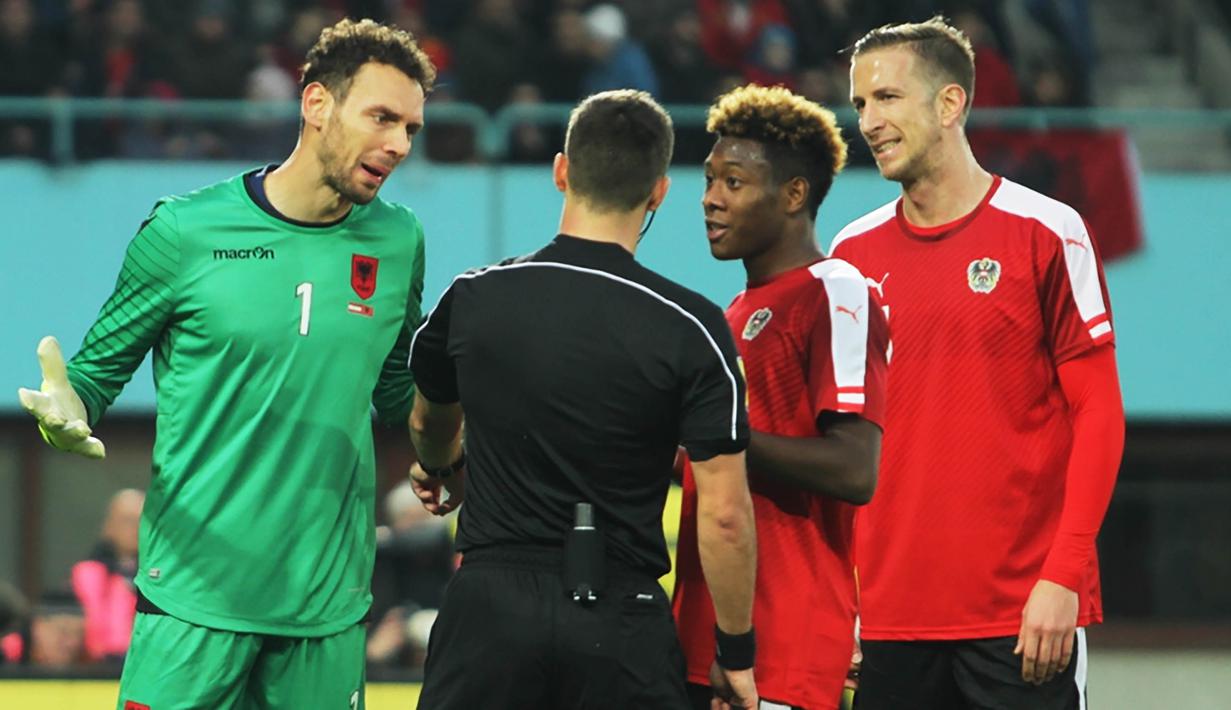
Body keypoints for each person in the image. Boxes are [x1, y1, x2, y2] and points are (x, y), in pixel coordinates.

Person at [17, 18, 436, 709]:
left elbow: (395, 393)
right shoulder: (185, 231)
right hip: (191, 602)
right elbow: (92, 376)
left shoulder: (399, 238)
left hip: (325, 612)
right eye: (382, 117)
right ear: (317, 105)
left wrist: (449, 446)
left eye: (411, 129)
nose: (397, 144)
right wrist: (67, 410)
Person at [408, 89, 759, 710]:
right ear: (658, 192)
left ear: (562, 171)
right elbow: (726, 514)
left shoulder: (472, 298)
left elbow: (428, 419)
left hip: (488, 610)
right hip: (622, 618)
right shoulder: (693, 325)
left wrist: (443, 466)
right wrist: (734, 653)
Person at [831, 16, 1124, 710]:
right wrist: (838, 598)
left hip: (1020, 617)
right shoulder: (848, 257)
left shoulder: (1047, 232)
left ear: (950, 104)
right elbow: (840, 447)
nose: (868, 121)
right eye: (859, 104)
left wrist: (1064, 573)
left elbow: (1099, 413)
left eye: (886, 98)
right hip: (884, 624)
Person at [672, 84, 889, 710]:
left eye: (733, 182)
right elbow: (711, 467)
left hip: (783, 649)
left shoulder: (836, 289)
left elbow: (854, 468)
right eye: (709, 179)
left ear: (794, 194)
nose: (711, 198)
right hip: (705, 641)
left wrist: (711, 437)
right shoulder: (733, 314)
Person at [72, 487, 144, 663]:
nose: (135, 528)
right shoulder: (88, 574)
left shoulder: (159, 575)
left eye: (142, 521)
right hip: (98, 669)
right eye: (127, 521)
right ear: (109, 525)